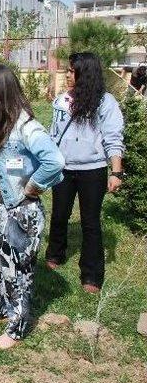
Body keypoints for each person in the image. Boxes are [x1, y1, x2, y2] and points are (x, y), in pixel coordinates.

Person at [0, 64, 65, 350]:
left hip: (20, 211)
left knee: (17, 272)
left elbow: (55, 161)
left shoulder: (26, 127)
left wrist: (33, 187)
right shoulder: (2, 124)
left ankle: (17, 328)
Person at [45, 52, 125, 293]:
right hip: (63, 169)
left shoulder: (105, 102)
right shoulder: (61, 101)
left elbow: (113, 138)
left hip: (93, 171)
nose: (67, 75)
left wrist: (116, 172)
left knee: (90, 223)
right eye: (67, 70)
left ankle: (91, 274)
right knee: (59, 214)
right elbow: (53, 135)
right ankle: (55, 253)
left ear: (85, 73)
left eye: (71, 71)